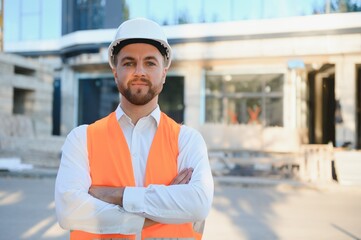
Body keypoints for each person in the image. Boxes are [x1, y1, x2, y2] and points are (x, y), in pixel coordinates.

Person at [55, 18, 214, 240]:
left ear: (164, 73)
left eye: (150, 63)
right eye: (129, 63)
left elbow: (198, 203)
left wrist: (117, 196)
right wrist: (162, 210)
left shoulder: (187, 140)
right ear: (115, 72)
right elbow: (69, 211)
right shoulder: (82, 139)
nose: (139, 71)